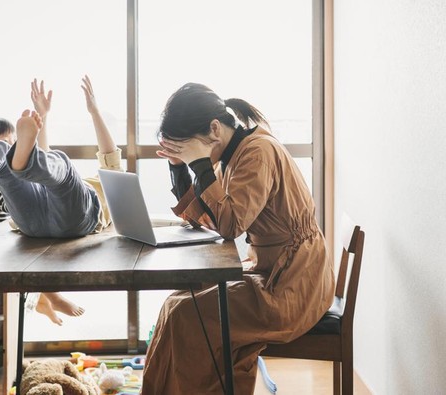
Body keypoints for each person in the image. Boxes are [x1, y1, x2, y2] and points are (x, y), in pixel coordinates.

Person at [142, 83, 336, 394]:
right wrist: (179, 167)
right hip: (270, 269)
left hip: (293, 283)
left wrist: (200, 164)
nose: (187, 154)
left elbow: (230, 225)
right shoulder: (232, 155)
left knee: (186, 315)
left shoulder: (257, 153)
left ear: (214, 129)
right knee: (177, 300)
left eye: (186, 147)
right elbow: (207, 215)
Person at [0, 76, 122, 324]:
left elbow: (96, 156)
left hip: (35, 225)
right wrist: (44, 119)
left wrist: (93, 111)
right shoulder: (107, 185)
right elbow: (60, 159)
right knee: (33, 162)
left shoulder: (99, 182)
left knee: (56, 168)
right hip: (41, 224)